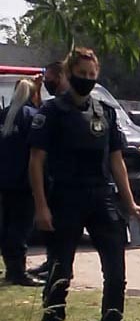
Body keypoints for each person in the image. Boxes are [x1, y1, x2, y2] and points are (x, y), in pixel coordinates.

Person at [28, 47, 140, 321]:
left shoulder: (105, 112)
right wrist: (41, 206)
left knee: (116, 272)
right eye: (81, 74)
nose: (87, 79)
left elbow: (117, 161)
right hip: (65, 198)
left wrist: (129, 202)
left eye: (92, 75)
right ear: (69, 74)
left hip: (101, 197)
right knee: (60, 273)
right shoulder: (52, 112)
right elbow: (36, 161)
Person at [27, 61, 71, 281]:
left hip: (68, 179)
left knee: (61, 229)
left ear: (62, 76)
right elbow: (39, 113)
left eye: (50, 79)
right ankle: (52, 262)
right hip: (51, 175)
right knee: (52, 227)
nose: (48, 83)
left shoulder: (72, 105)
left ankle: (58, 266)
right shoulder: (52, 106)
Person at [0, 78, 43, 286]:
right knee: (21, 227)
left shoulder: (3, 114)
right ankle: (17, 271)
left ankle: (11, 267)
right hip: (23, 182)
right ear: (33, 95)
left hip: (3, 180)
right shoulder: (32, 117)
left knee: (7, 225)